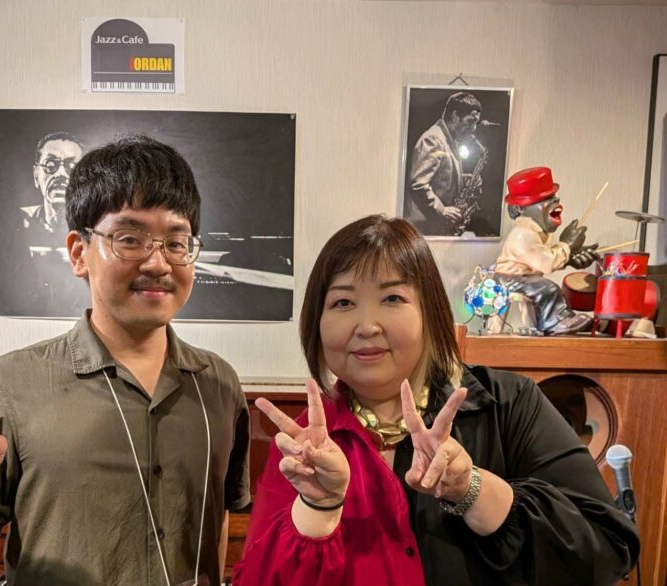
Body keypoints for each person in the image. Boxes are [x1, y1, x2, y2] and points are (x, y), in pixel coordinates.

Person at [0, 136, 251, 586]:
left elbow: (218, 524)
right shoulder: (9, 384)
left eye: (176, 242)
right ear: (78, 252)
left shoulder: (220, 384)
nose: (158, 263)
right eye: (129, 239)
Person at [233, 215, 638, 585]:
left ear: (430, 312)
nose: (367, 325)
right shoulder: (305, 445)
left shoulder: (508, 405)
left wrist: (473, 490)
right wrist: (317, 508)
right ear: (317, 324)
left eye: (392, 298)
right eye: (343, 302)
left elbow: (607, 550)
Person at [0, 131, 90, 318]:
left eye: (71, 166)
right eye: (50, 165)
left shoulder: (97, 231)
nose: (60, 174)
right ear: (36, 175)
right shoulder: (19, 225)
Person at [495, 166, 599, 335]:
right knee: (548, 288)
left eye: (554, 197)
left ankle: (553, 322)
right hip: (507, 279)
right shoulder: (522, 234)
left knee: (543, 286)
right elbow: (546, 263)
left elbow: (547, 254)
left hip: (525, 277)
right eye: (544, 199)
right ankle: (555, 322)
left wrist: (571, 256)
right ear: (521, 208)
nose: (555, 201)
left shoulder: (538, 233)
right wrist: (566, 245)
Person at [404, 92, 482, 236]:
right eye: (470, 121)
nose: (474, 128)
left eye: (476, 123)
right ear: (455, 116)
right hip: (425, 229)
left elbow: (443, 175)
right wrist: (442, 210)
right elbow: (418, 184)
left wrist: (467, 179)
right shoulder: (433, 139)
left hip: (435, 227)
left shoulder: (450, 139)